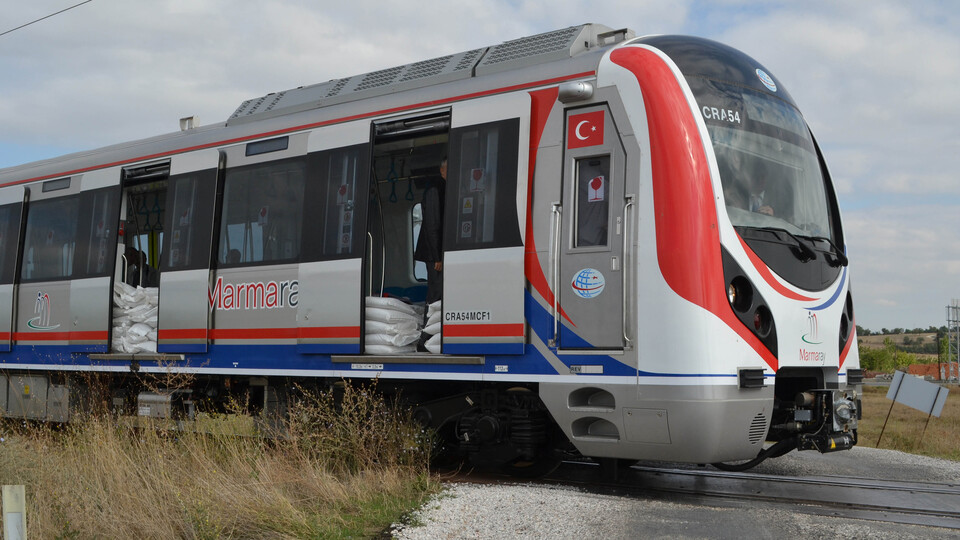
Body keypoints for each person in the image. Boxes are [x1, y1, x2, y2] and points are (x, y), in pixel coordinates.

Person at [414, 157, 446, 304]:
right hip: (434, 254)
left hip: (437, 251)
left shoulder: (443, 188)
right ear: (442, 170)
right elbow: (433, 224)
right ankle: (429, 318)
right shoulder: (435, 189)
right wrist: (437, 257)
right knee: (436, 293)